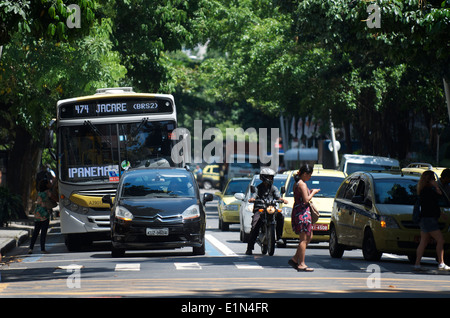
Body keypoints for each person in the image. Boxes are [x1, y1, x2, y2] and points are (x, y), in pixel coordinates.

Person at [245, 167, 288, 255]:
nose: (270, 179)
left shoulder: (274, 188)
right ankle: (249, 248)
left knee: (280, 216)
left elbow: (277, 195)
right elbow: (255, 194)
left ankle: (279, 237)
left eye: (271, 177)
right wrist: (252, 198)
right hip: (260, 208)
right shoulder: (258, 187)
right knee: (255, 224)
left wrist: (281, 199)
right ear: (263, 177)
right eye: (268, 177)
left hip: (271, 208)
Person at [414, 170, 450, 271]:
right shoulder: (430, 190)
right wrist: (437, 188)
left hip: (424, 218)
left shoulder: (422, 190)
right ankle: (441, 263)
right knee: (440, 240)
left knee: (424, 241)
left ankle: (417, 263)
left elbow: (431, 205)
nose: (435, 180)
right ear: (430, 180)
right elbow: (438, 197)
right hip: (430, 219)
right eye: (434, 179)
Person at [289, 164, 320, 272]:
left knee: (309, 236)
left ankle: (295, 259)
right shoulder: (301, 184)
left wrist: (309, 192)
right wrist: (313, 193)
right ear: (304, 174)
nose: (310, 177)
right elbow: (306, 200)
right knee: (303, 239)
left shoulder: (300, 183)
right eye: (309, 175)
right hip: (302, 213)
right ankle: (301, 263)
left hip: (301, 211)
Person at [28, 179, 56, 254]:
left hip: (37, 213)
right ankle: (42, 249)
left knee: (36, 232)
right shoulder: (48, 192)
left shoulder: (39, 193)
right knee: (43, 232)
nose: (50, 184)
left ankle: (30, 248)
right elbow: (56, 199)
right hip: (44, 213)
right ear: (46, 185)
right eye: (49, 183)